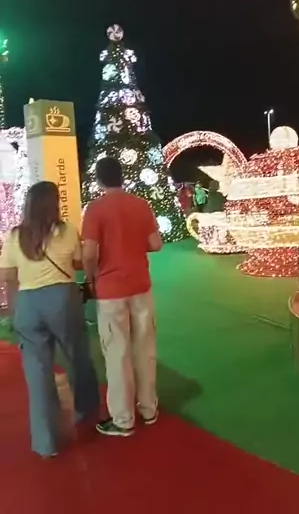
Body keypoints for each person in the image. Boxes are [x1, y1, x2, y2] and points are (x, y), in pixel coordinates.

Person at [0, 181, 99, 458]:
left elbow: (7, 276)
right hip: (62, 299)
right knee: (78, 358)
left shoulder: (15, 236)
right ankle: (86, 414)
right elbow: (78, 262)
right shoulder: (66, 231)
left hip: (28, 304)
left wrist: (15, 311)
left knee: (37, 374)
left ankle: (46, 442)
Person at [82, 157, 163, 438]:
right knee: (145, 348)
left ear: (99, 179)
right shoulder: (141, 205)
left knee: (117, 354)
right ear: (122, 176)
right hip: (140, 285)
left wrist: (91, 277)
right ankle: (149, 409)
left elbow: (89, 252)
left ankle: (123, 419)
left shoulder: (95, 209)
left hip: (110, 289)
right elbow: (155, 244)